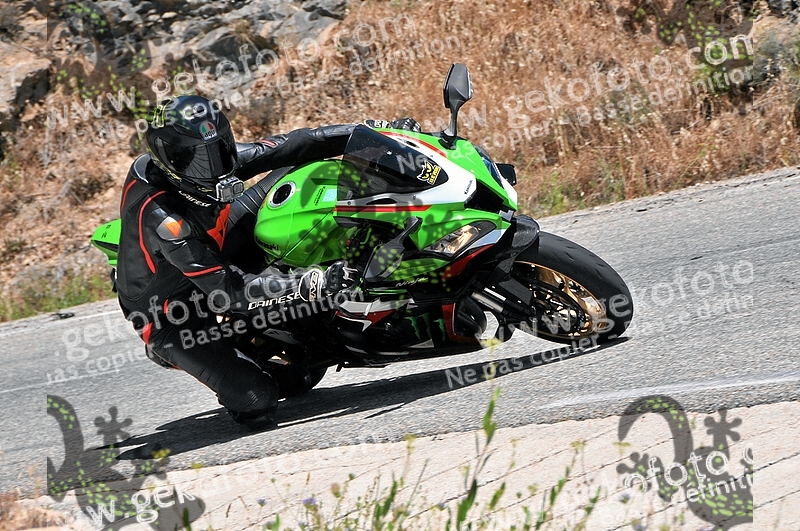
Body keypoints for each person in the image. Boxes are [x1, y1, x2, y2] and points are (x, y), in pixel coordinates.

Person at [115, 94, 420, 429]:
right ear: (170, 162)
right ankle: (181, 352)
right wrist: (307, 285)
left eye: (219, 150)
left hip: (219, 242)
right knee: (258, 400)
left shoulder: (213, 163)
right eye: (198, 160)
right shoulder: (164, 220)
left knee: (299, 170)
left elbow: (294, 145)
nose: (214, 167)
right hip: (173, 311)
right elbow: (228, 290)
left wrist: (377, 134)